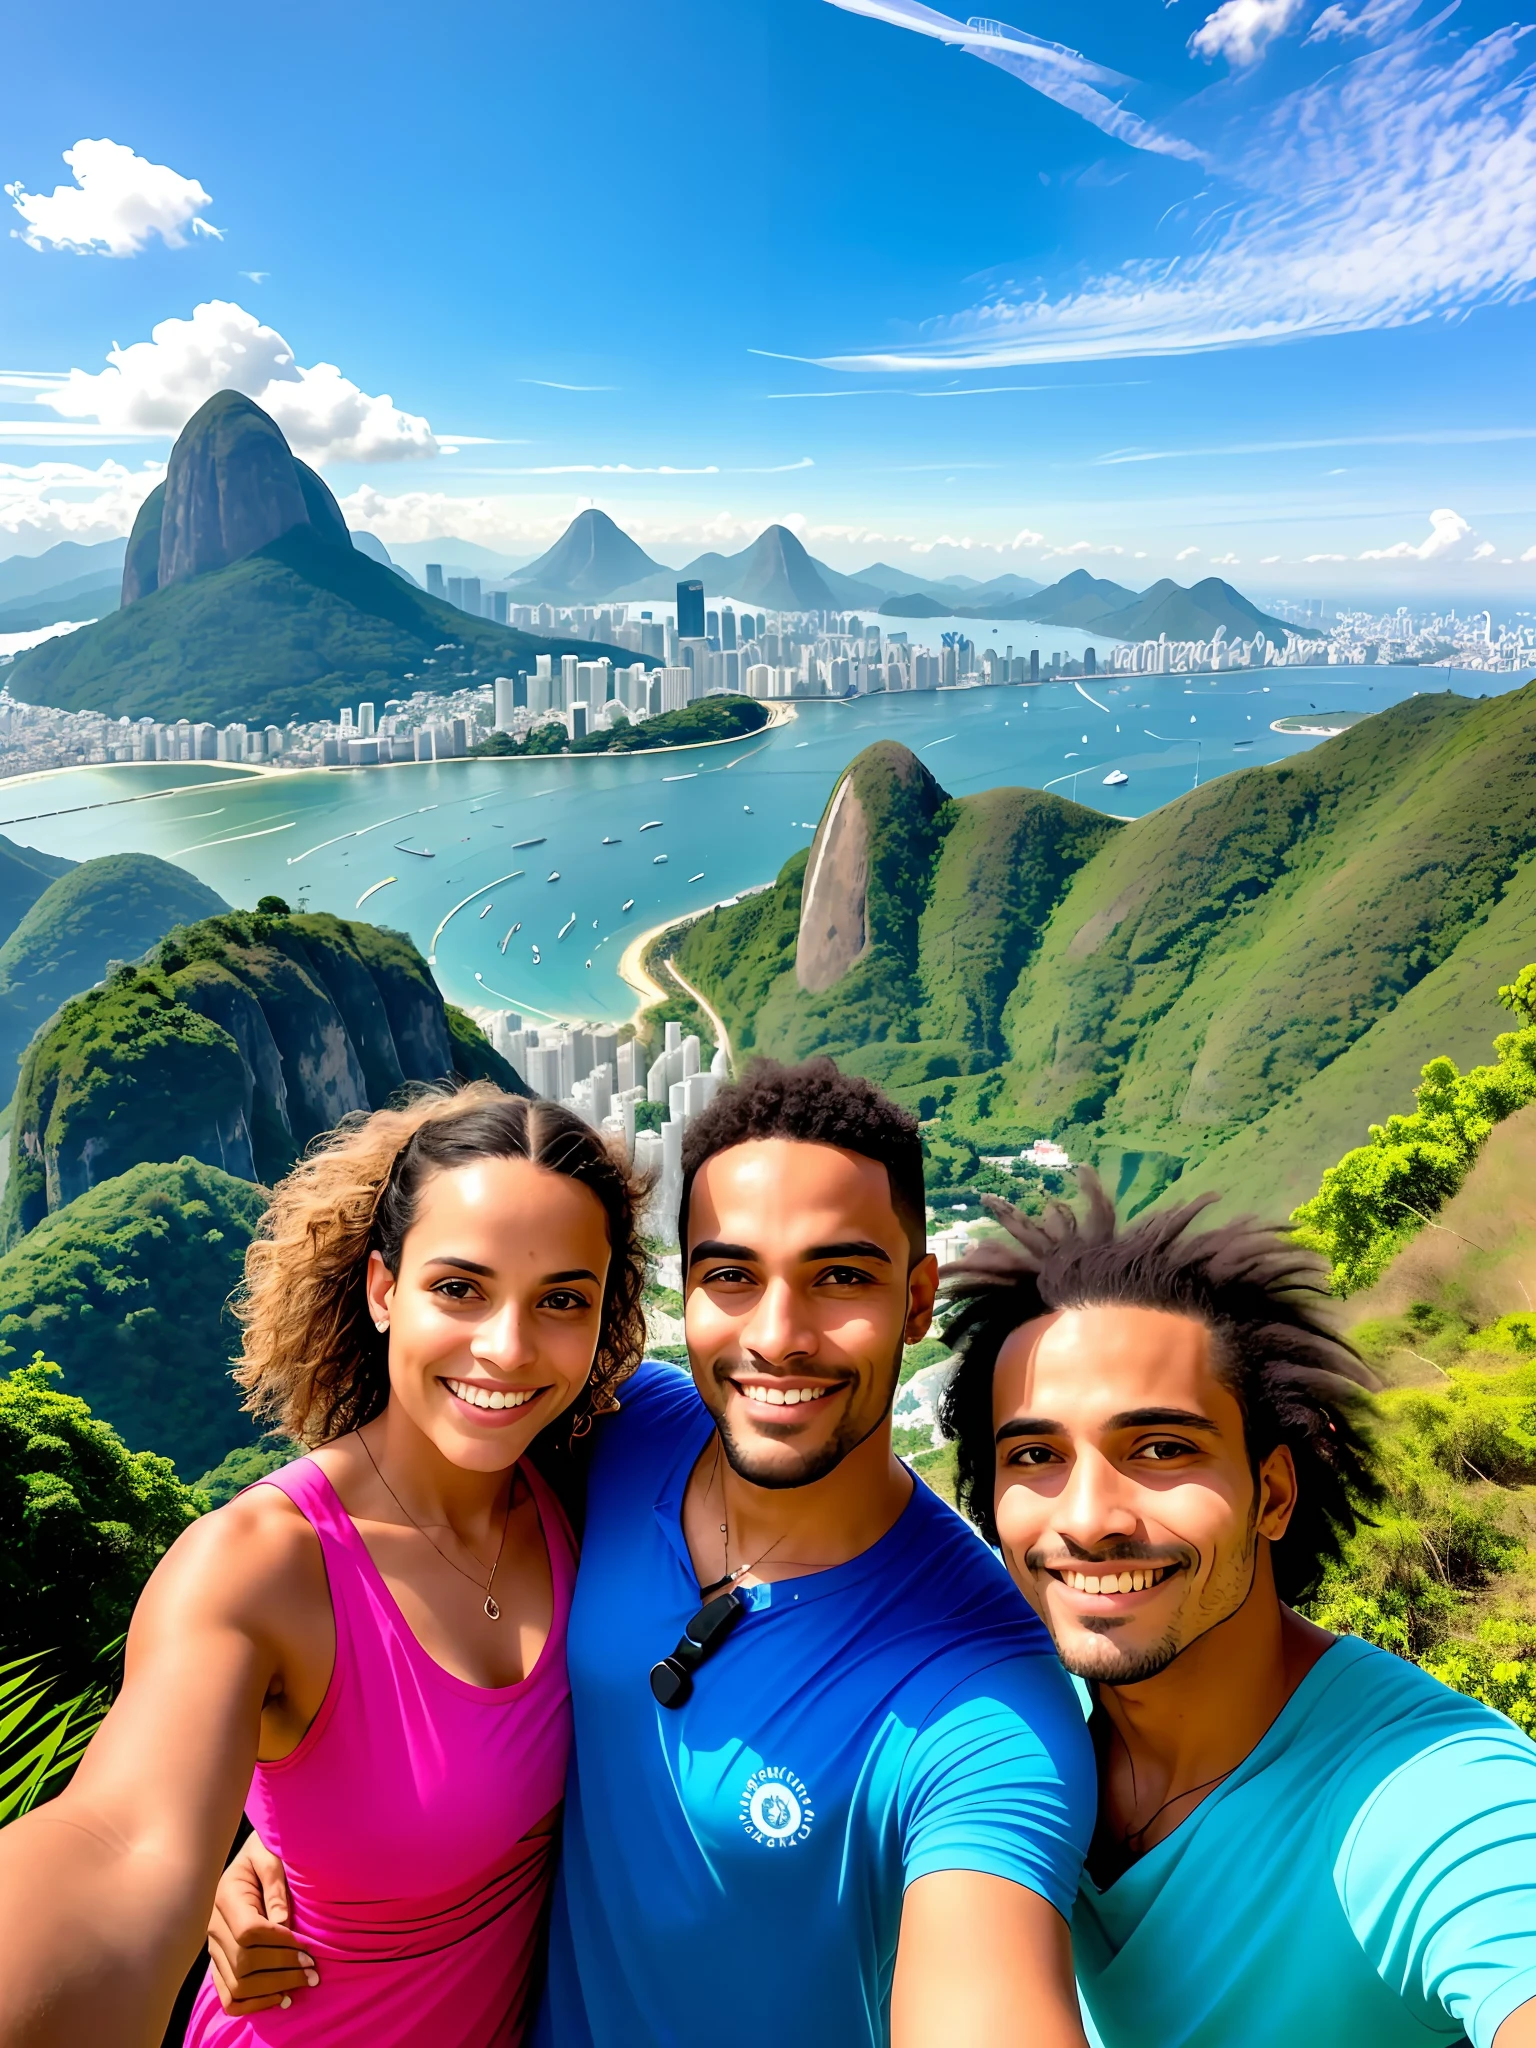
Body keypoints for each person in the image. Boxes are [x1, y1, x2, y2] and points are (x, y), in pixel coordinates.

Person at [216, 1057, 1098, 2048]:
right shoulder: (622, 1426)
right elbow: (398, 1568)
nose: (778, 1335)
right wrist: (284, 1829)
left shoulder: (984, 1691)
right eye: (732, 1274)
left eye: (840, 1276)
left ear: (918, 1295)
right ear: (688, 1287)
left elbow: (989, 1978)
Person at [0, 1083, 648, 2048]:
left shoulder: (593, 1480)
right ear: (385, 1290)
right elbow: (118, 1839)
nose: (507, 1350)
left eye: (561, 1300)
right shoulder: (260, 1565)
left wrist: (279, 1837)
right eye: (459, 1289)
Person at [938, 1175, 1536, 2048]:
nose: (1088, 1519)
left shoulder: (1425, 1792)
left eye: (1163, 1449)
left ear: (1273, 1494)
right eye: (1036, 1454)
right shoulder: (1004, 1716)